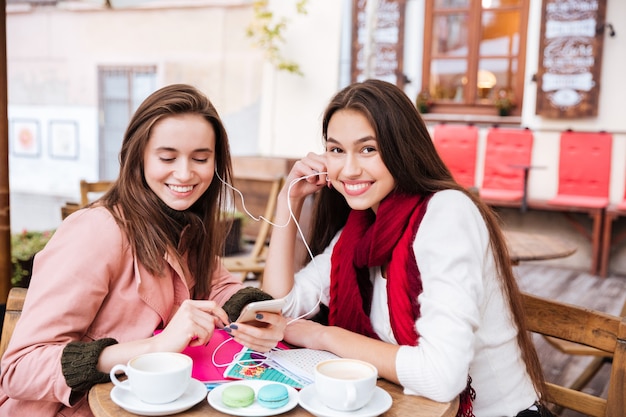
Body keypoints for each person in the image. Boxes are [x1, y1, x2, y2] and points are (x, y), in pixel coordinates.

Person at [262, 79, 551, 417]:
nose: (349, 168)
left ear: (401, 148)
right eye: (336, 150)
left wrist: (324, 336)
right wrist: (288, 202)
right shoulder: (361, 230)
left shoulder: (446, 214)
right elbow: (278, 308)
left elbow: (442, 377)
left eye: (368, 148)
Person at [0, 84, 286, 416]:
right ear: (138, 156)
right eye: (167, 157)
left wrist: (256, 313)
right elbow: (19, 368)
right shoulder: (96, 231)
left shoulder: (184, 224)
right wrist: (154, 348)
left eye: (201, 158)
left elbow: (220, 287)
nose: (184, 173)